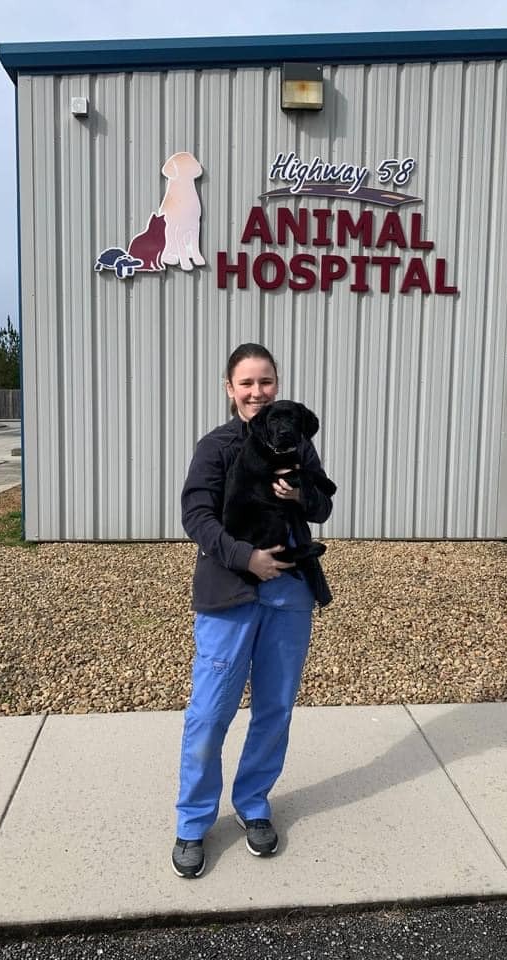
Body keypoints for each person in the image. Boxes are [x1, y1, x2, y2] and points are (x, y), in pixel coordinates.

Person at [172, 343, 335, 878]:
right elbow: (196, 514)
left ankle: (253, 802)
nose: (256, 393)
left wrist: (298, 500)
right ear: (229, 388)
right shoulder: (216, 447)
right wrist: (248, 558)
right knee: (211, 712)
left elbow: (323, 507)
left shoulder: (295, 438)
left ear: (277, 385)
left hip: (289, 595)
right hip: (230, 592)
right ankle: (194, 822)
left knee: (275, 708)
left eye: (265, 382)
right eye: (246, 383)